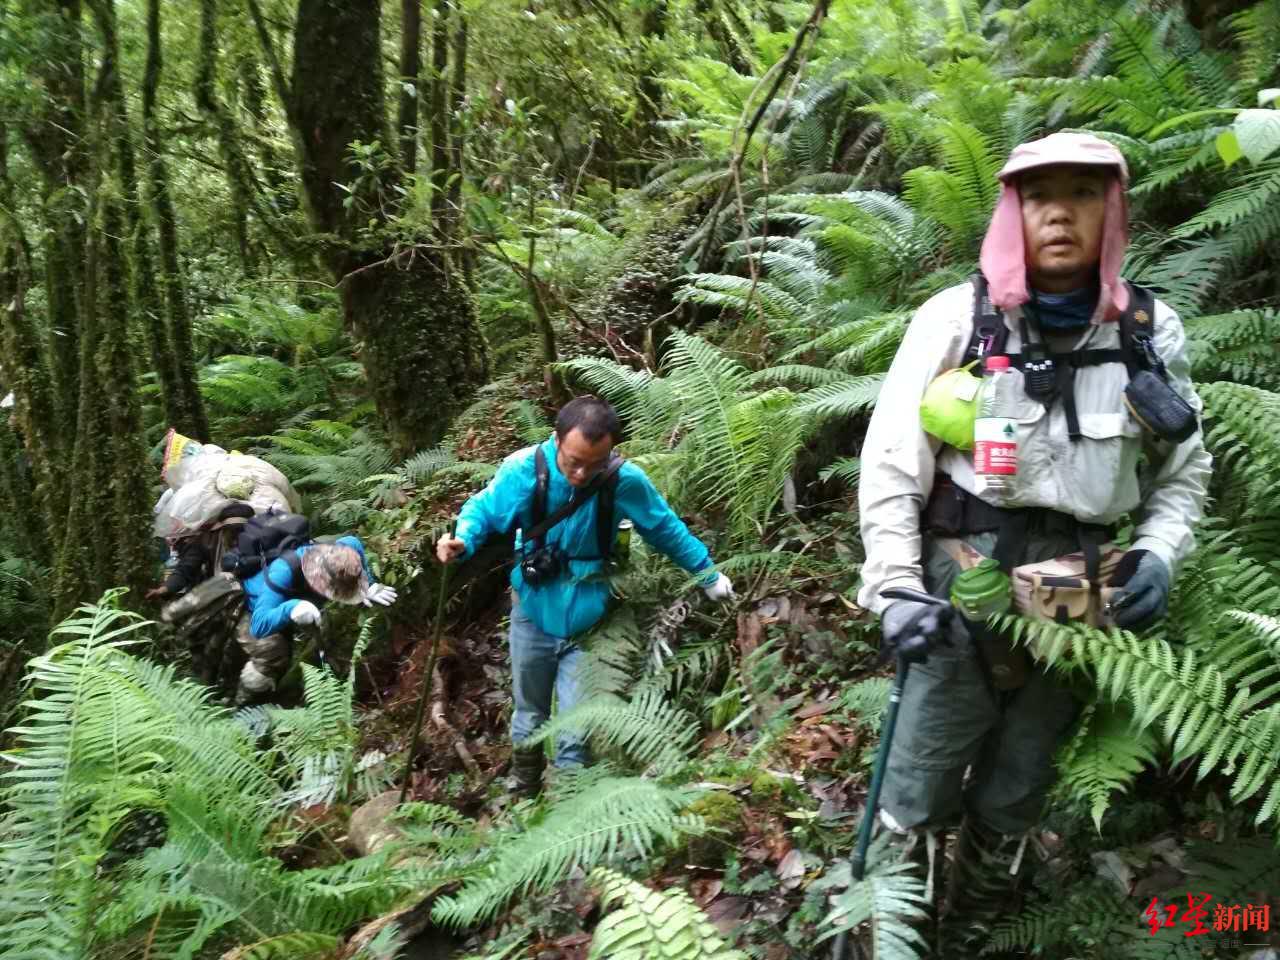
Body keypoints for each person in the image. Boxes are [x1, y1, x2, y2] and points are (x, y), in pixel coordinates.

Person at [857, 132, 1211, 940]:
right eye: (1038, 195)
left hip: (1083, 589)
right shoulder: (958, 319)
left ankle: (975, 923)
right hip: (960, 578)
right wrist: (896, 589)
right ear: (1012, 211)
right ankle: (892, 933)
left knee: (1022, 782)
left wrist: (1158, 550)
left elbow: (1184, 471)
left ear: (1113, 212)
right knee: (914, 782)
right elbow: (890, 466)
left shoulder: (1150, 333)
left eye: (1083, 194)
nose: (1060, 213)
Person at [435, 396, 736, 797]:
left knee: (577, 725)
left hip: (593, 613)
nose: (581, 473)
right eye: (573, 461)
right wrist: (463, 540)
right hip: (533, 607)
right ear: (556, 440)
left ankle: (568, 807)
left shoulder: (623, 481)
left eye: (593, 464)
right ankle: (524, 790)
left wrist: (707, 574)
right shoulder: (525, 469)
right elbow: (484, 510)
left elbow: (665, 528)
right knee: (529, 712)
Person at [236, 535, 398, 705]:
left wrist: (369, 583)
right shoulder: (282, 571)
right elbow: (258, 625)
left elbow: (354, 541)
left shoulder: (344, 551)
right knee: (273, 653)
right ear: (320, 583)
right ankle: (245, 705)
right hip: (252, 606)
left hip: (291, 598)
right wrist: (292, 608)